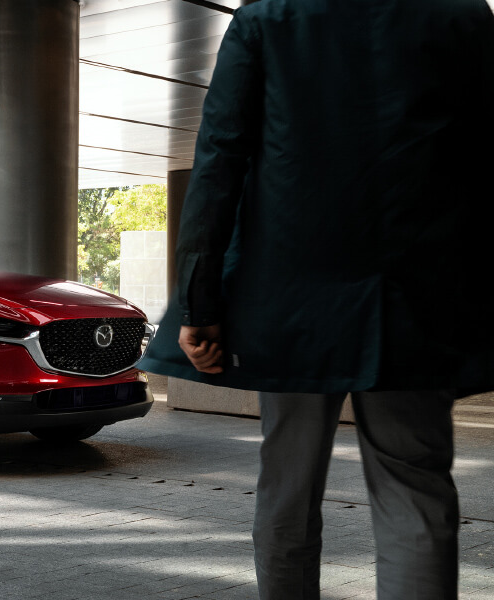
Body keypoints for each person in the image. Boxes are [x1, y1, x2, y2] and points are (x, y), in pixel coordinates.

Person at [138, 0, 494, 598]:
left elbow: (220, 157)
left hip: (288, 303)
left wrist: (201, 304)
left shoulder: (267, 18)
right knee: (416, 492)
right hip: (413, 303)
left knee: (288, 483)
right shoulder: (462, 16)